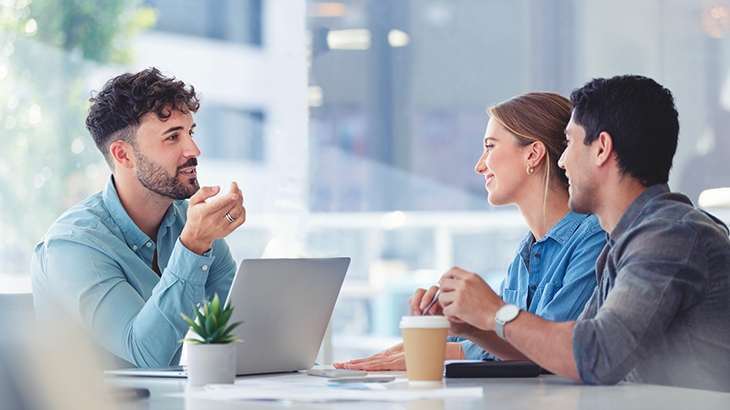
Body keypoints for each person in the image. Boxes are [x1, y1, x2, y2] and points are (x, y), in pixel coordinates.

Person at [435, 75, 730, 392]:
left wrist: (495, 311)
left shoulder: (671, 234)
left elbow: (598, 354)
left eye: (570, 143)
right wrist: (477, 324)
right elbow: (561, 352)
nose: (561, 160)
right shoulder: (621, 244)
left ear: (602, 149)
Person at [335, 92, 606, 371]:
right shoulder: (526, 255)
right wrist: (457, 327)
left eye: (490, 147)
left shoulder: (593, 239)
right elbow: (515, 345)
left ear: (533, 154)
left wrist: (446, 347)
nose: (479, 166)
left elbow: (549, 351)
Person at [31, 67, 245, 369]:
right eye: (172, 137)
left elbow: (242, 329)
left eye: (190, 132)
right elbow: (145, 353)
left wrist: (311, 367)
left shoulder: (191, 226)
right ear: (123, 155)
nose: (194, 150)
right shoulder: (72, 246)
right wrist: (193, 247)